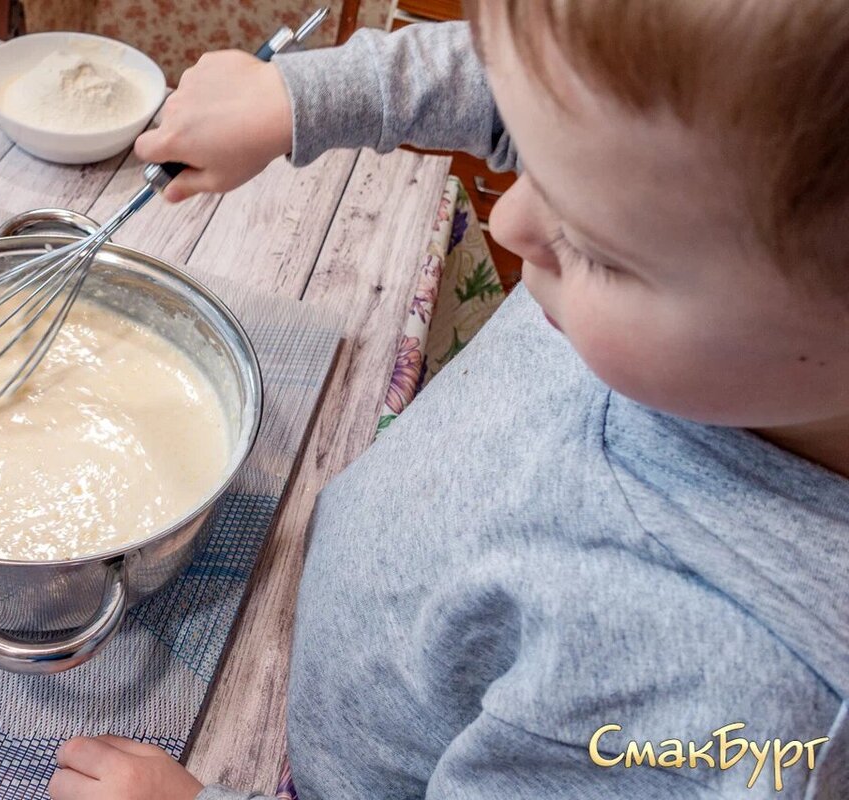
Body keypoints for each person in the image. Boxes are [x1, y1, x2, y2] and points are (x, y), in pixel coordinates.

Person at [46, 1, 849, 797]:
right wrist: (303, 97)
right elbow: (540, 90)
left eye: (597, 248)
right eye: (536, 158)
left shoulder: (727, 702)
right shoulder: (733, 292)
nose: (512, 220)